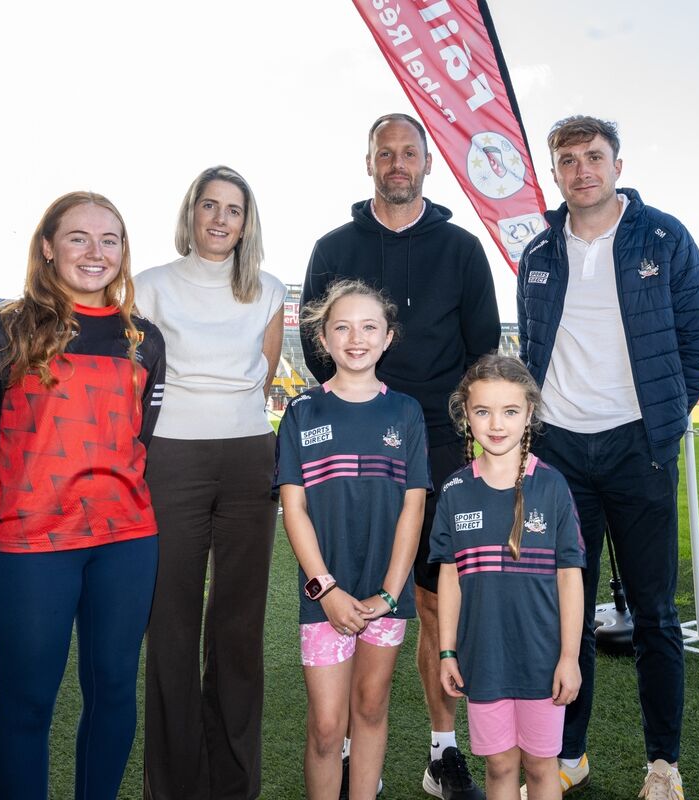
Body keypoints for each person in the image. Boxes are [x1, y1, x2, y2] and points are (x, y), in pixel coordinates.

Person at [302, 112, 499, 799]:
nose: (396, 162)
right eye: (384, 152)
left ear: (425, 163)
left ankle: (443, 753)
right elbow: (314, 347)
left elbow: (483, 355)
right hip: (351, 452)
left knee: (436, 601)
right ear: (367, 162)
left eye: (407, 152)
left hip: (440, 447)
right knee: (352, 591)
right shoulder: (332, 247)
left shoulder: (462, 249)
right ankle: (356, 749)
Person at [516, 115, 699, 800]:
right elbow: (534, 354)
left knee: (656, 612)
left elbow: (698, 343)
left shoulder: (664, 237)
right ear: (556, 171)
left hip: (639, 449)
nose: (581, 171)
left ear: (617, 164)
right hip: (562, 451)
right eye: (567, 160)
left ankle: (664, 763)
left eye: (593, 157)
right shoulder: (539, 252)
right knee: (565, 606)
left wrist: (661, 423)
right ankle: (570, 753)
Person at [0, 191, 166, 800]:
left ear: (124, 251)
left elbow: (137, 441)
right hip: (30, 543)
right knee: (26, 702)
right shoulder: (1, 330)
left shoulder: (145, 341)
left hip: (126, 543)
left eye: (110, 239)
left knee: (115, 691)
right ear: (48, 246)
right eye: (79, 238)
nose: (95, 253)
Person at [136, 166, 287, 800]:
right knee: (169, 623)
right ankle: (172, 788)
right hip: (170, 458)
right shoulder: (146, 288)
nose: (221, 219)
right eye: (209, 206)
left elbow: (264, 372)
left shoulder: (271, 290)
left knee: (238, 625)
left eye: (234, 209)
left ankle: (233, 785)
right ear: (191, 213)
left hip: (250, 458)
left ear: (247, 222)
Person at [274, 279, 430, 800]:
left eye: (369, 326)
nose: (356, 337)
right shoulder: (301, 413)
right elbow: (293, 508)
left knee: (370, 707)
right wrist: (325, 588)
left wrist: (388, 593)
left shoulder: (405, 412)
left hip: (384, 599)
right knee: (324, 726)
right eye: (342, 326)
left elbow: (413, 506)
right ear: (323, 337)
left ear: (388, 337)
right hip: (324, 599)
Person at [432, 355, 584, 800]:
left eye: (510, 411)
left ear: (529, 414)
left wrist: (570, 657)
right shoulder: (456, 492)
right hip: (486, 658)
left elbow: (570, 579)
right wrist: (446, 651)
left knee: (540, 767)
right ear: (466, 415)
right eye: (483, 411)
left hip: (543, 659)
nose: (496, 424)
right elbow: (449, 578)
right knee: (499, 765)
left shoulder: (553, 486)